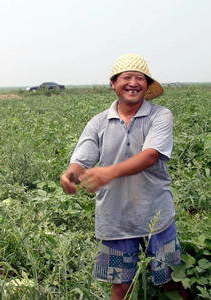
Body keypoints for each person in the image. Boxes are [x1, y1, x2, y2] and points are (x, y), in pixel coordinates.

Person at [60, 54, 187, 300]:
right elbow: (81, 161)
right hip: (114, 220)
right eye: (126, 77)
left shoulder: (160, 116)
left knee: (171, 281)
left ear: (147, 86)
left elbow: (150, 156)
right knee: (120, 286)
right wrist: (69, 176)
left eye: (140, 78)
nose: (133, 83)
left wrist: (107, 172)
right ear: (113, 84)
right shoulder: (98, 122)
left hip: (156, 217)